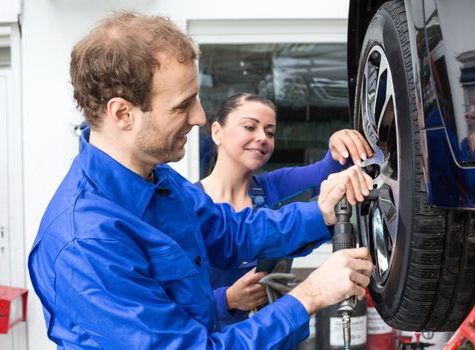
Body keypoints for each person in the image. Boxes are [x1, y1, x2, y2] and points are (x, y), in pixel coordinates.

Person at [28, 11, 374, 349]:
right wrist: (308, 296)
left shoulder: (158, 180)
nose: (200, 117)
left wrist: (323, 213)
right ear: (123, 113)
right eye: (182, 106)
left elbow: (232, 234)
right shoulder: (85, 242)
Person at [196, 92, 373, 326]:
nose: (262, 138)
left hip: (276, 332)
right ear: (217, 132)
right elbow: (169, 297)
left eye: (270, 132)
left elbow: (328, 171)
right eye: (250, 127)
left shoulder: (274, 187)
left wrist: (340, 143)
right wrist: (226, 300)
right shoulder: (189, 204)